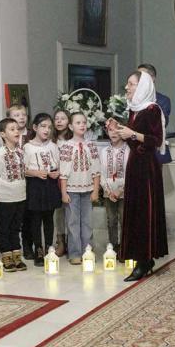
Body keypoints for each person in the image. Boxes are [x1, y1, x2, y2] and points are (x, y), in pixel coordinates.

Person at [110, 69, 168, 281]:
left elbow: (156, 140)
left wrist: (132, 133)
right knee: (135, 211)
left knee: (145, 212)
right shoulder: (134, 109)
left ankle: (144, 260)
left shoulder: (152, 109)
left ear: (142, 86)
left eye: (131, 84)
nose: (127, 87)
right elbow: (133, 139)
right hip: (135, 164)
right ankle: (140, 258)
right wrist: (119, 130)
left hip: (147, 168)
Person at [59, 111, 102, 264]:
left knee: (87, 222)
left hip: (88, 189)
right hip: (71, 190)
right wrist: (64, 192)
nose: (82, 125)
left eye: (84, 122)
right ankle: (75, 253)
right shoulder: (66, 146)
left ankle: (87, 251)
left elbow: (96, 170)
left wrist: (96, 190)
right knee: (72, 222)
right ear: (71, 126)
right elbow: (63, 173)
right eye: (78, 123)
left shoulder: (91, 145)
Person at [0, 117, 28, 272]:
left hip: (20, 195)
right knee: (4, 226)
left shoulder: (21, 152)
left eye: (17, 129)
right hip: (5, 196)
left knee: (16, 226)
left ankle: (16, 253)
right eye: (12, 129)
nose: (16, 131)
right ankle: (6, 254)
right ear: (2, 134)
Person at [24, 113, 62, 266]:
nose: (47, 130)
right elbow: (23, 169)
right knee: (35, 219)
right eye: (43, 126)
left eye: (49, 127)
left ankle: (48, 248)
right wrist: (36, 173)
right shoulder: (28, 147)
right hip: (35, 185)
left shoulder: (53, 146)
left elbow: (58, 165)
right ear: (35, 127)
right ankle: (38, 249)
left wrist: (56, 173)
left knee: (48, 218)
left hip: (50, 184)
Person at [100, 123, 128, 255]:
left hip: (125, 192)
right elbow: (101, 172)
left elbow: (131, 173)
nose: (114, 133)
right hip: (109, 193)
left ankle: (125, 247)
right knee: (111, 220)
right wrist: (108, 190)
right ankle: (113, 247)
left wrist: (121, 190)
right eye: (110, 130)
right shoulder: (104, 151)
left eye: (117, 130)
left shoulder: (129, 150)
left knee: (124, 220)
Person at [138, 63, 172, 165]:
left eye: (141, 76)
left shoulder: (162, 100)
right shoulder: (130, 99)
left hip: (153, 150)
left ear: (152, 78)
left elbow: (159, 125)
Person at [51, 109, 71, 255]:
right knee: (59, 212)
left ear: (69, 121)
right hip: (55, 179)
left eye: (62, 118)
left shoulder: (72, 139)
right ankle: (60, 240)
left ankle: (72, 241)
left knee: (70, 210)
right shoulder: (51, 140)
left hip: (70, 178)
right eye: (56, 118)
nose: (59, 121)